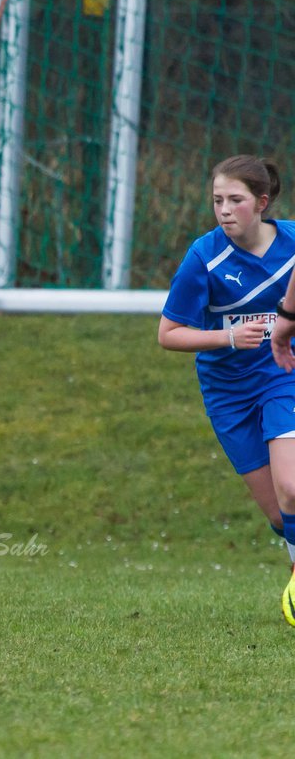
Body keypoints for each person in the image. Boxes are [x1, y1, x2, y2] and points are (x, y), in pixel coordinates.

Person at [157, 154, 295, 625]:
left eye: (235, 200)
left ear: (261, 202)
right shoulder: (204, 257)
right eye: (217, 200)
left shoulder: (293, 241)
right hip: (227, 390)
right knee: (280, 515)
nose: (224, 210)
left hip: (283, 373)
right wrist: (227, 336)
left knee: (292, 486)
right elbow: (168, 333)